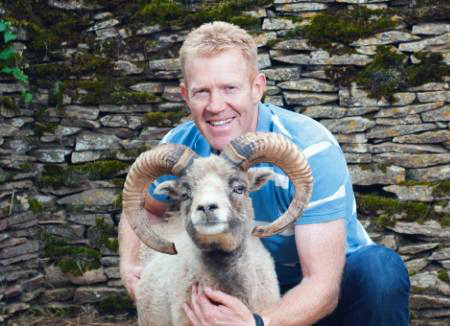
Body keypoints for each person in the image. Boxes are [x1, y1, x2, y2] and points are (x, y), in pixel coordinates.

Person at [119, 21, 410, 326]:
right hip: (238, 283)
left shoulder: (309, 149)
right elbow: (140, 206)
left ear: (257, 88)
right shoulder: (178, 148)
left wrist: (256, 323)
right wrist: (130, 264)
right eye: (201, 92)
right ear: (184, 95)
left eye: (230, 88)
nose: (216, 106)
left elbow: (322, 286)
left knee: (380, 271)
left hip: (324, 292)